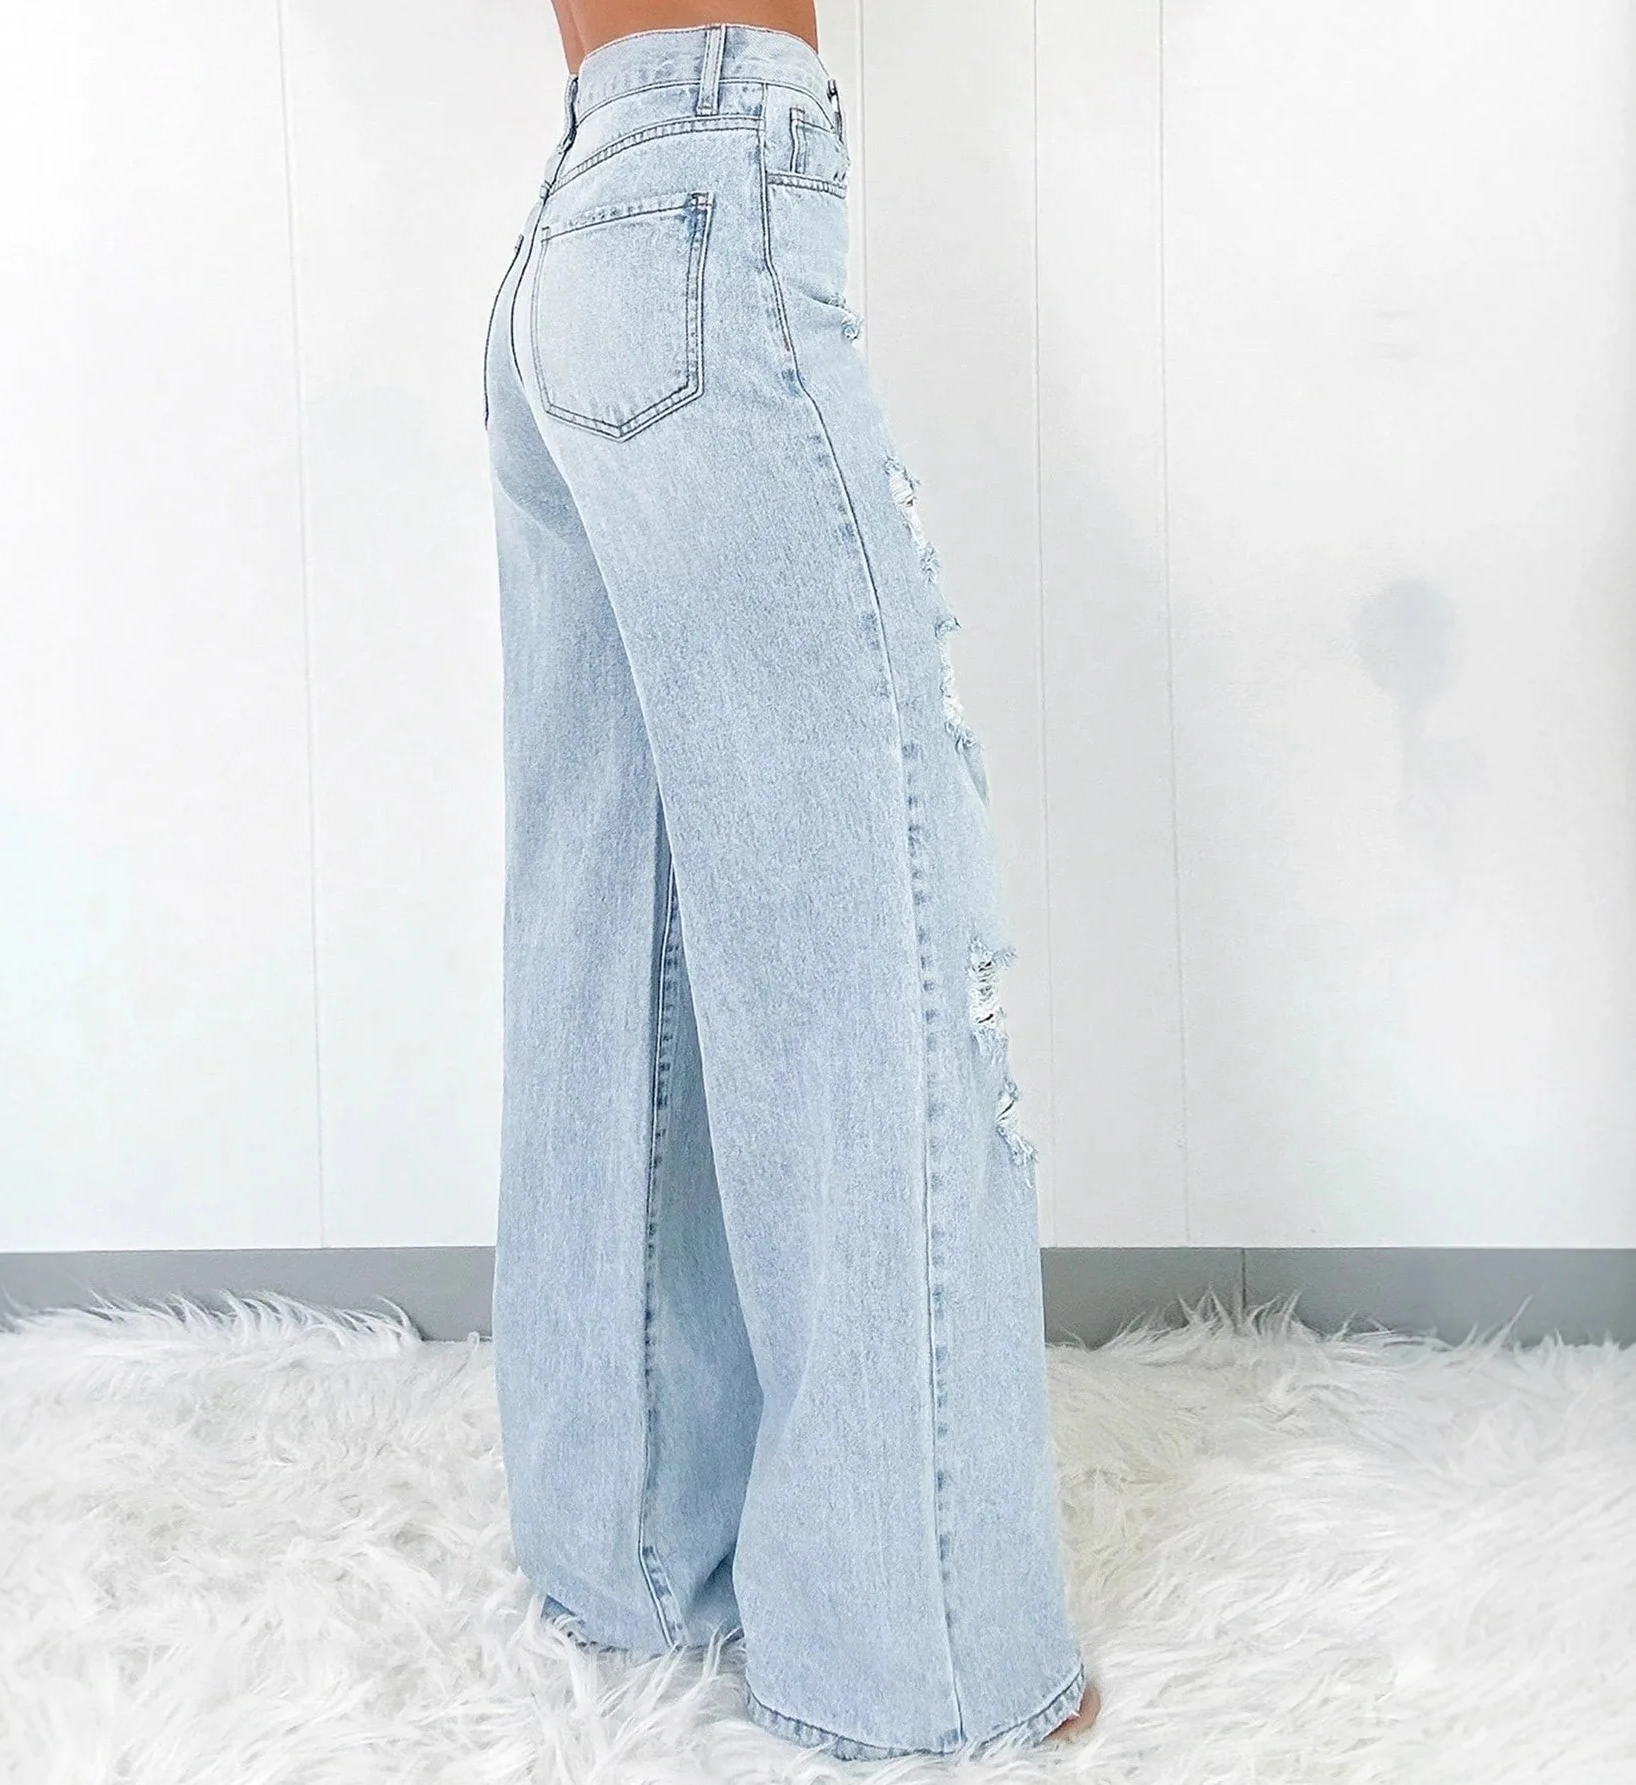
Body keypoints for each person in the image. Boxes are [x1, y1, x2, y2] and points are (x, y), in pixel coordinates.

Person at [481, 3, 1101, 1759]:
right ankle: (920, 1660)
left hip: (580, 215)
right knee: (870, 924)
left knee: (614, 915)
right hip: (712, 179)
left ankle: (627, 1554)